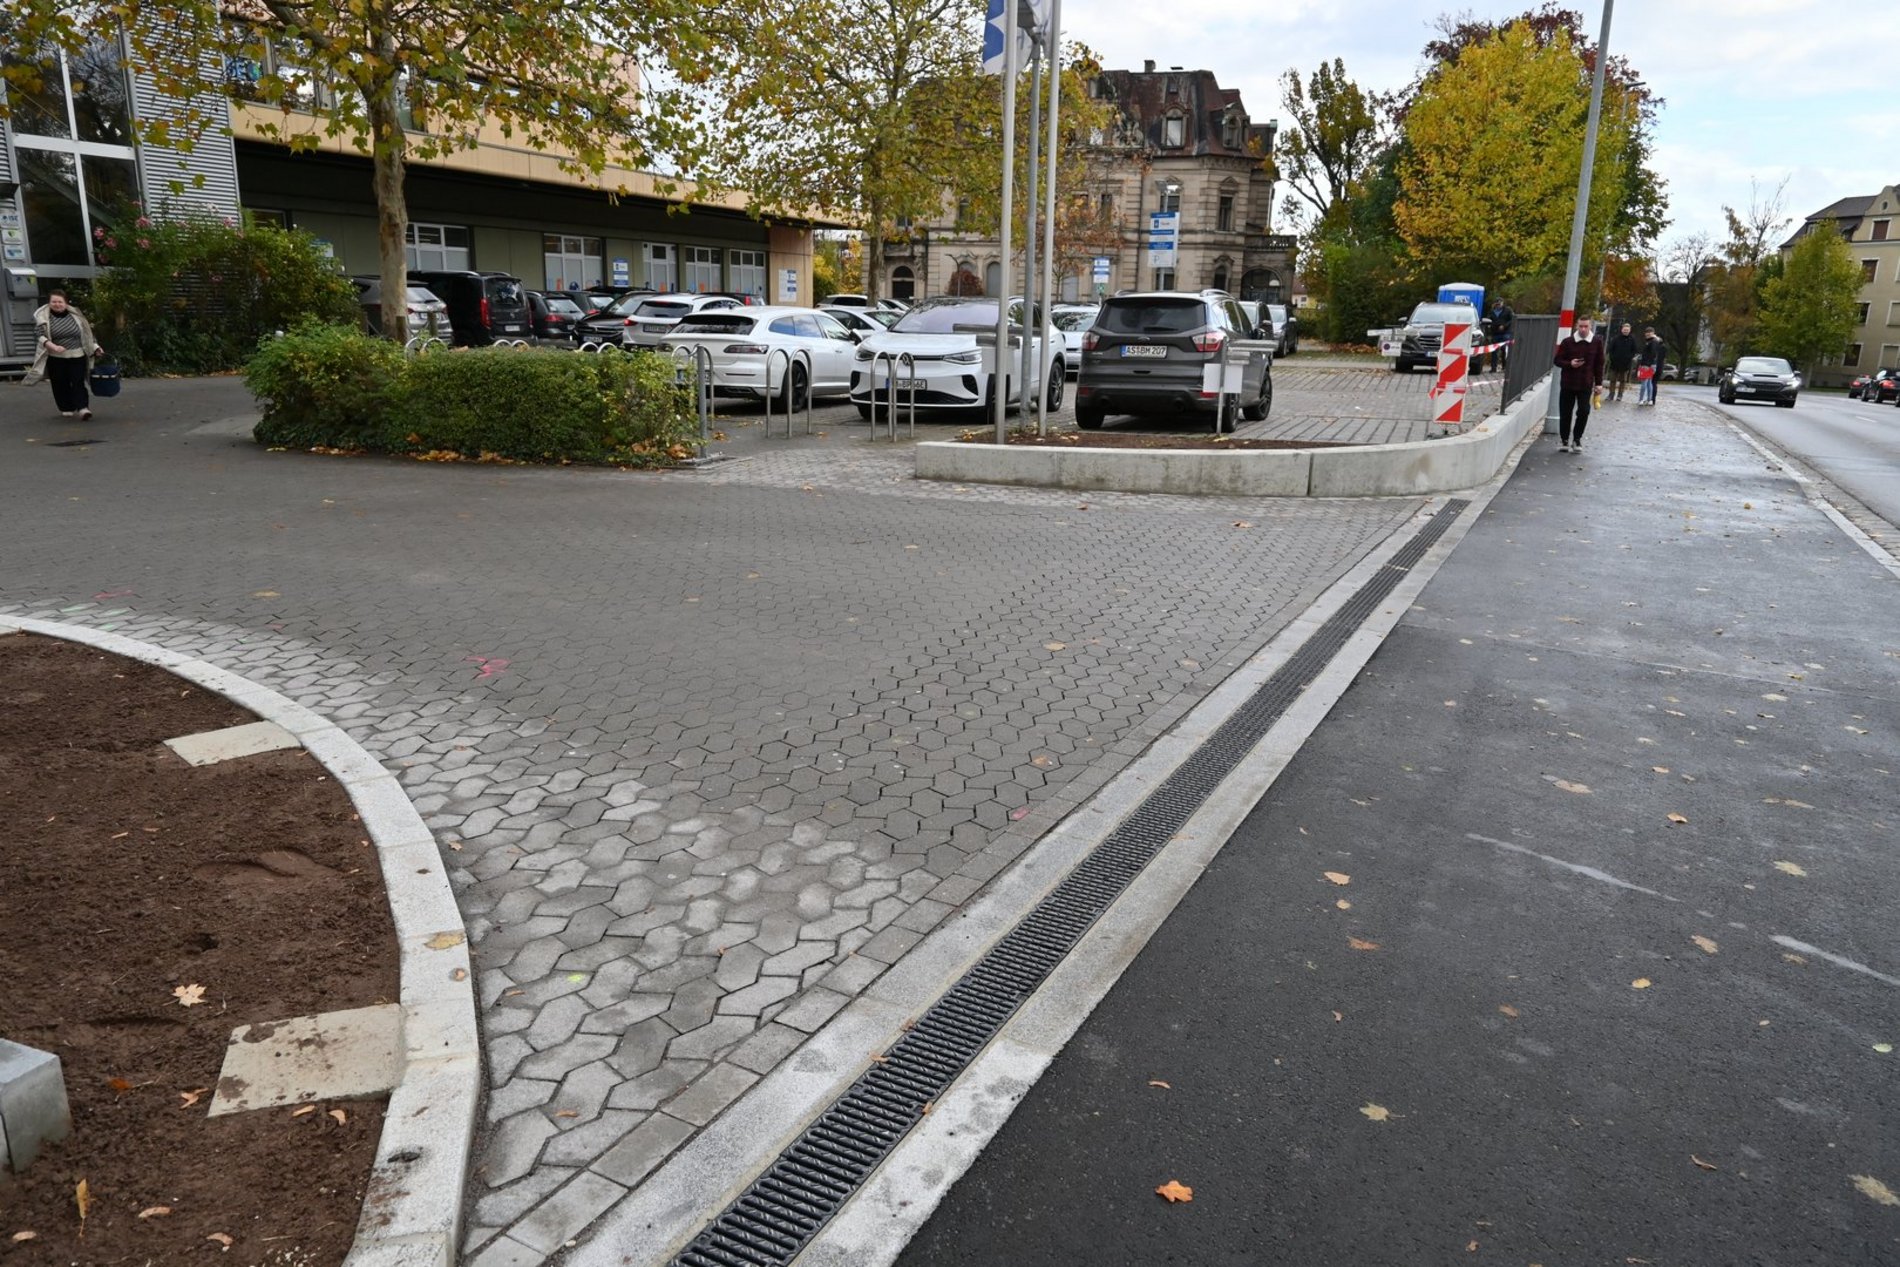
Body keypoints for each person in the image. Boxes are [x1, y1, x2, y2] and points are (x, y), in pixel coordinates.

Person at [25, 290, 104, 420]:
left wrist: (96, 347)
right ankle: (66, 407)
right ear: (49, 303)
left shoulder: (77, 315)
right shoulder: (43, 317)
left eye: (60, 302)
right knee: (60, 383)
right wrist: (53, 346)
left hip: (77, 355)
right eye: (54, 302)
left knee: (78, 382)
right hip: (55, 357)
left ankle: (83, 408)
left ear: (66, 303)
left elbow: (87, 334)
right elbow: (39, 335)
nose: (57, 304)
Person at [1552, 316, 1603, 454]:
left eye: (1586, 326)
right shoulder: (1568, 342)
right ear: (1576, 326)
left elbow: (1599, 364)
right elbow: (1557, 360)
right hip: (1568, 382)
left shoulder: (1596, 342)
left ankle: (1577, 439)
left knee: (1584, 411)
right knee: (1565, 412)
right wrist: (1570, 364)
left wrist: (1599, 383)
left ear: (1590, 326)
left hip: (1585, 383)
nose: (1583, 329)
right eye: (1580, 326)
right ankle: (1564, 439)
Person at [1606, 321, 1638, 401]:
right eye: (1624, 329)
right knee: (1613, 379)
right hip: (1614, 363)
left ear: (1629, 330)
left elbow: (1634, 351)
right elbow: (1610, 349)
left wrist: (1629, 358)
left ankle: (1620, 395)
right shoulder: (1616, 338)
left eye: (1627, 330)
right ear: (1622, 329)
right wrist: (1612, 358)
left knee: (1623, 381)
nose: (1625, 331)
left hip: (1625, 364)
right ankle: (1611, 394)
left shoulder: (1632, 340)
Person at [1637, 327, 1666, 405]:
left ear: (1653, 333)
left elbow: (1652, 354)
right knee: (1650, 382)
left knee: (1644, 383)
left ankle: (1641, 399)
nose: (1648, 333)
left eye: (1650, 332)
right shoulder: (1653, 341)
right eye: (1647, 332)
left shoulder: (1652, 342)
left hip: (1648, 364)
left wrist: (1647, 364)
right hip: (1652, 364)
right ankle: (1650, 400)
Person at [1486, 296, 1514, 373]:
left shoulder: (1508, 310)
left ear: (1502, 303)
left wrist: (1504, 326)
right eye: (1497, 304)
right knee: (1494, 350)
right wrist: (1490, 327)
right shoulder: (1492, 312)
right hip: (1495, 333)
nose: (1498, 305)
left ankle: (1505, 366)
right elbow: (1488, 320)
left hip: (1505, 333)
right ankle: (1493, 368)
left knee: (1504, 349)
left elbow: (1512, 319)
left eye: (1500, 303)